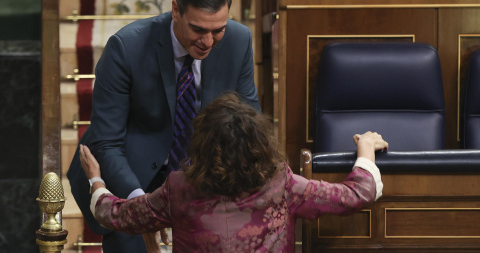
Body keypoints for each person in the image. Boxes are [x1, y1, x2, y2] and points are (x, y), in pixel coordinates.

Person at [67, 0, 260, 252]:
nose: (208, 42)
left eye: (218, 30)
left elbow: (249, 126)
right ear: (175, 10)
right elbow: (107, 143)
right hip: (134, 177)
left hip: (206, 174)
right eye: (198, 29)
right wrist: (140, 206)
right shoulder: (126, 47)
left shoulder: (238, 41)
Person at [80, 93, 388, 253]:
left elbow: (117, 215)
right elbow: (357, 195)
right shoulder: (282, 184)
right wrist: (365, 150)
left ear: (201, 143)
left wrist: (96, 179)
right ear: (260, 142)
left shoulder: (179, 188)